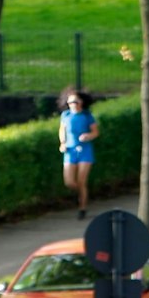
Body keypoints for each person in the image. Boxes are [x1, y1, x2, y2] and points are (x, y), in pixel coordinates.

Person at [59, 88, 99, 220]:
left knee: (81, 181)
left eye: (75, 102)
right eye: (70, 103)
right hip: (70, 151)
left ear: (81, 102)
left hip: (84, 151)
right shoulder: (65, 116)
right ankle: (81, 194)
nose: (73, 105)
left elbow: (95, 132)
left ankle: (82, 207)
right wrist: (63, 143)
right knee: (69, 182)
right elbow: (62, 131)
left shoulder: (87, 116)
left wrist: (88, 136)